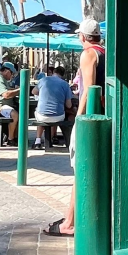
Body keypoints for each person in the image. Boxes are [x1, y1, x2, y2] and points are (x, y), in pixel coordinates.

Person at [48, 18, 105, 236]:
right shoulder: (104, 52)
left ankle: (69, 223)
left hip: (90, 118)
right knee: (85, 169)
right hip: (101, 115)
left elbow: (90, 89)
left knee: (80, 168)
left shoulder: (88, 54)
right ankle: (71, 219)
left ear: (82, 36)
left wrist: (79, 119)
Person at [33, 65, 73, 150]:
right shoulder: (65, 84)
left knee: (39, 113)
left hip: (42, 115)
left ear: (54, 72)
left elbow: (34, 91)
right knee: (56, 112)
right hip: (58, 116)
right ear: (63, 75)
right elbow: (69, 105)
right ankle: (51, 138)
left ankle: (38, 141)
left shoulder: (43, 80)